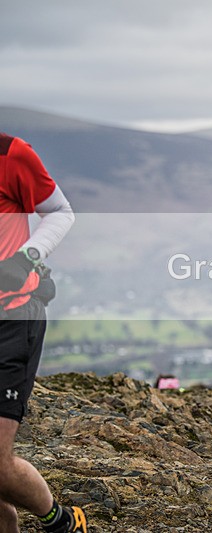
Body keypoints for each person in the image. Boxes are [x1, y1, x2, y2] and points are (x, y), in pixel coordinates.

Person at [0, 134, 85, 532]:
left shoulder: (11, 154)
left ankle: (62, 523)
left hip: (12, 318)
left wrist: (27, 257)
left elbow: (60, 211)